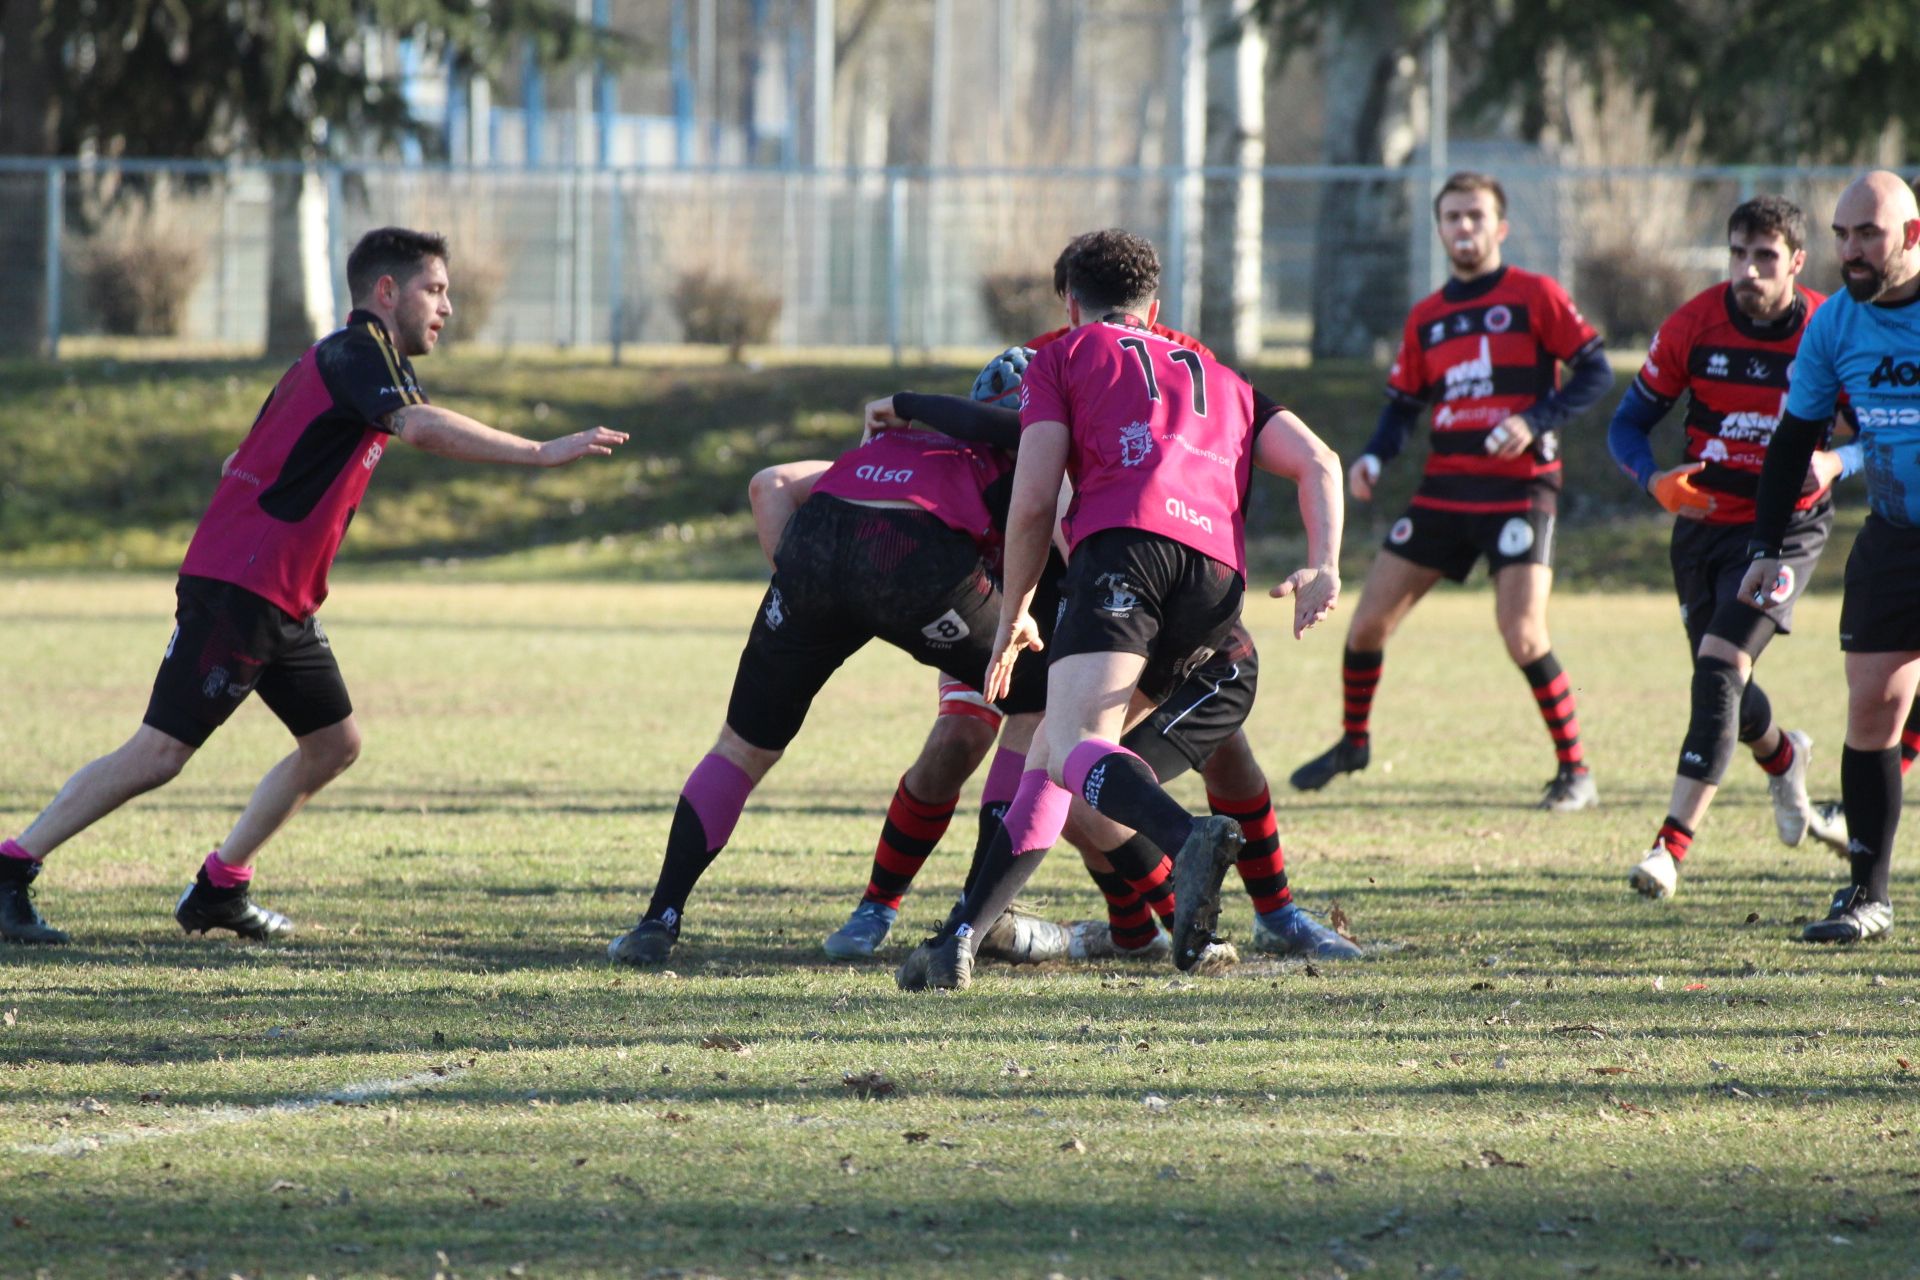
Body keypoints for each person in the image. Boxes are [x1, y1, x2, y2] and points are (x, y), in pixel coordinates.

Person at [0, 227, 628, 945]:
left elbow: (244, 454)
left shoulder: (333, 359)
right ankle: (12, 867)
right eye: (435, 289)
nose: (447, 307)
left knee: (333, 743)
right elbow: (418, 427)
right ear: (386, 291)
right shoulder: (359, 353)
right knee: (160, 752)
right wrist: (541, 452)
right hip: (245, 588)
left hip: (278, 593)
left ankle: (220, 887)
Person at [896, 227, 1344, 990]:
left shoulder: (1063, 356)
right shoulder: (1216, 372)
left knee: (1071, 746)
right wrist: (1325, 563)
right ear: (1155, 305)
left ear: (1071, 302)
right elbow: (1319, 461)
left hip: (1125, 554)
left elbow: (1034, 502)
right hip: (1216, 579)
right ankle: (961, 940)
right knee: (1050, 758)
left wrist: (1014, 613)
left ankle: (1187, 834)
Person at [604, 395, 1055, 967]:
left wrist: (810, 601)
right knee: (1041, 704)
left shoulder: (901, 441)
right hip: (914, 555)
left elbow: (768, 485)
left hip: (820, 541)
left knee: (740, 748)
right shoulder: (1025, 453)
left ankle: (657, 922)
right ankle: (973, 922)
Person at [1289, 171, 1614, 810]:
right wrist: (1375, 458)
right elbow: (1402, 405)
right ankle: (1355, 743)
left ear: (1501, 227)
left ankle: (1575, 771)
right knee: (1365, 626)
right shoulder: (1429, 319)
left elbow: (1596, 370)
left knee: (1522, 633)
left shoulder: (1534, 295)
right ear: (1439, 229)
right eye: (1453, 217)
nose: (1464, 228)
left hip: (1520, 490)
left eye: (1475, 216)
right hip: (1444, 491)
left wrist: (1533, 421)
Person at [1608, 196, 1850, 898]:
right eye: (1738, 254)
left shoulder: (1830, 327)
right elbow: (1627, 424)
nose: (1748, 270)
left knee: (1718, 668)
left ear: (1797, 262)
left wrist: (1836, 463)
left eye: (1765, 257)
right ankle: (1784, 758)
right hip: (1703, 526)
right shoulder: (1694, 324)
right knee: (1727, 695)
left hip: (1785, 529)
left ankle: (1669, 848)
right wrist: (1653, 481)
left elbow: (1883, 425)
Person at [1741, 169, 1920, 943]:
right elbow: (1792, 443)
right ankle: (1867, 896)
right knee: (1873, 706)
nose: (1850, 249)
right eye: (1842, 234)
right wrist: (1764, 546)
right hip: (1893, 533)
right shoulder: (1834, 324)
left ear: (1911, 236)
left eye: (1868, 234)